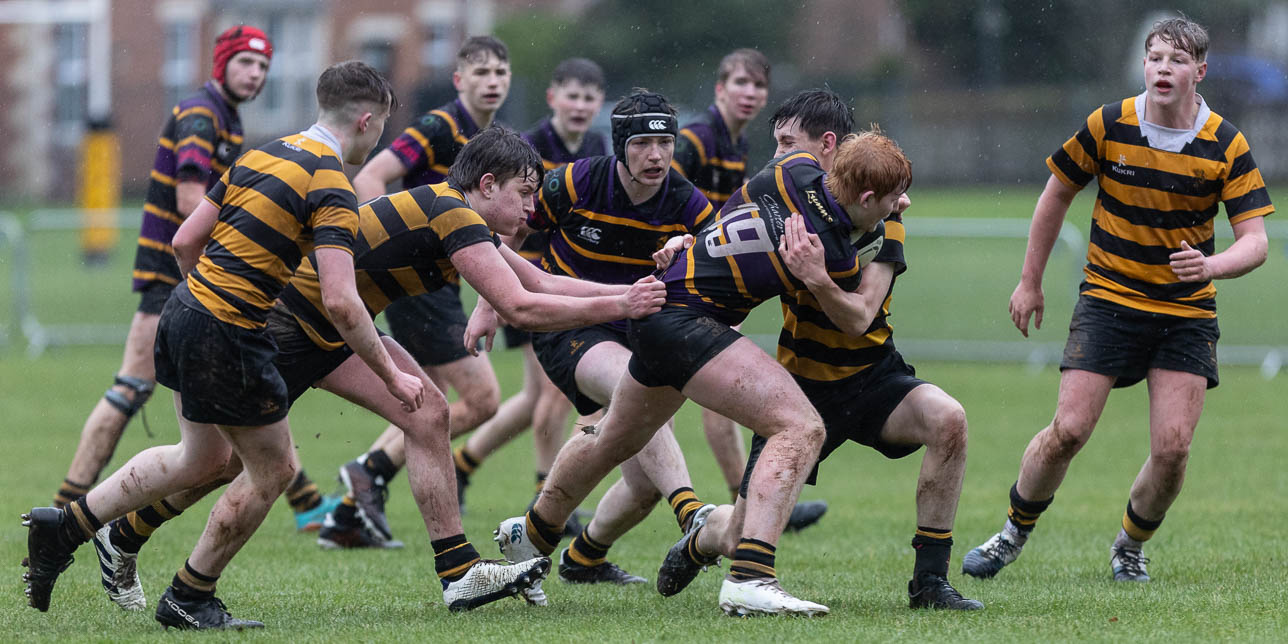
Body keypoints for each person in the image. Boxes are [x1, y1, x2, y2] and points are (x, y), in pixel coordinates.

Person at [88, 125, 664, 614]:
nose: (530, 208)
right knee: (223, 464)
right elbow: (522, 306)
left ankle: (457, 570)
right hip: (291, 328)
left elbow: (538, 282)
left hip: (328, 332)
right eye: (523, 193)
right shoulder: (452, 212)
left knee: (427, 412)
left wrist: (630, 293)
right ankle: (122, 537)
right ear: (487, 185)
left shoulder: (459, 213)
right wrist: (620, 306)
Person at [23, 61, 420, 629]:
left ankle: (64, 527)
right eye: (381, 124)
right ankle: (189, 595)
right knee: (274, 469)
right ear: (365, 119)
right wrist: (392, 375)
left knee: (202, 458)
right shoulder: (332, 180)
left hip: (182, 309)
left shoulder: (262, 153)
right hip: (227, 329)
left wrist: (206, 297)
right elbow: (340, 300)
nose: (378, 134)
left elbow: (187, 241)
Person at [496, 111, 910, 618]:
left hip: (658, 311)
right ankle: (751, 576)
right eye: (893, 203)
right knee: (800, 426)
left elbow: (742, 208)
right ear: (867, 199)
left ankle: (529, 536)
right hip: (687, 322)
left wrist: (691, 241)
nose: (898, 209)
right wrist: (821, 276)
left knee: (615, 440)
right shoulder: (835, 255)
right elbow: (853, 321)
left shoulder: (794, 167)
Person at [962, 16, 1271, 584]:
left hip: (1185, 311)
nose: (1163, 68)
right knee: (1069, 430)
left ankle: (1129, 545)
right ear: (1144, 65)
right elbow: (1055, 194)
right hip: (1110, 297)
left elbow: (1255, 243)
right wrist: (1029, 281)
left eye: (1177, 61)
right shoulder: (1109, 124)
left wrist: (1211, 266)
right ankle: (1011, 533)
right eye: (1155, 58)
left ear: (1199, 72)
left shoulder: (1227, 143)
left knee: (1174, 449)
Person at [654, 89, 981, 611]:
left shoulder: (884, 218)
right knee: (739, 535)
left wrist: (818, 279)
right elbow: (728, 235)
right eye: (777, 144)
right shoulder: (789, 208)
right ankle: (704, 537)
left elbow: (860, 316)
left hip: (874, 376)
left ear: (825, 148)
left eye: (788, 144)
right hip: (801, 387)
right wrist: (686, 244)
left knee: (949, 420)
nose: (778, 156)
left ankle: (930, 582)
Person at [49, 26, 334, 532]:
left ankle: (306, 498)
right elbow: (188, 203)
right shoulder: (202, 115)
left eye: (263, 67)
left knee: (245, 393)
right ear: (220, 63)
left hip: (195, 279)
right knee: (132, 390)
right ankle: (66, 506)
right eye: (245, 62)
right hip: (175, 277)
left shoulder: (223, 116)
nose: (256, 74)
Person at [476, 90, 725, 602]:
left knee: (640, 480)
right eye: (642, 144)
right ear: (620, 146)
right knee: (635, 385)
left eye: (665, 142)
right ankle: (693, 514)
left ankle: (579, 554)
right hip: (568, 324)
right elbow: (506, 231)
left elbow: (720, 266)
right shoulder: (576, 181)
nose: (656, 155)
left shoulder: (685, 202)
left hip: (638, 331)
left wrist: (686, 251)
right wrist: (489, 302)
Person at [335, 36, 513, 543]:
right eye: (481, 72)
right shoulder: (440, 126)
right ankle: (370, 469)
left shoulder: (495, 138)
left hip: (445, 283)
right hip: (421, 284)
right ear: (459, 81)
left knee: (421, 403)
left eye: (500, 71)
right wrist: (389, 244)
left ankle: (347, 518)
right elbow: (371, 177)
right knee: (481, 399)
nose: (493, 80)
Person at [669, 50, 822, 528]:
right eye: (740, 83)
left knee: (653, 407)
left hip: (711, 277)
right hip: (679, 275)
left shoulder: (738, 145)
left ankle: (746, 499)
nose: (750, 93)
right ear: (719, 89)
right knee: (708, 389)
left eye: (759, 86)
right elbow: (658, 198)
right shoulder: (696, 140)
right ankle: (749, 500)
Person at [451, 57, 608, 518]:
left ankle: (464, 462)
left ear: (599, 103)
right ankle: (547, 492)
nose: (580, 105)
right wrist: (490, 299)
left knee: (536, 399)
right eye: (572, 95)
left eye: (588, 97)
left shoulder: (596, 146)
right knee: (555, 396)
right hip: (523, 283)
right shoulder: (530, 147)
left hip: (556, 283)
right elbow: (502, 233)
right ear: (553, 97)